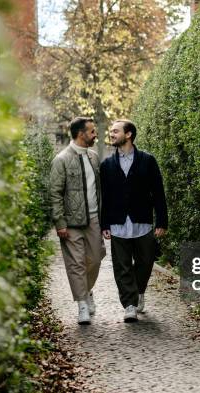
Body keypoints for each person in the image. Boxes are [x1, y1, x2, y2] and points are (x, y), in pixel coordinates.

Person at [100, 119, 168, 323]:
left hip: (143, 221)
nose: (111, 134)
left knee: (145, 262)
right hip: (118, 223)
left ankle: (139, 292)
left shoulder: (148, 160)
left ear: (128, 135)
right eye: (111, 131)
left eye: (115, 131)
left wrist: (162, 221)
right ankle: (129, 305)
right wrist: (105, 224)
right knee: (121, 266)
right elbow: (106, 196)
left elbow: (158, 192)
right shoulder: (107, 165)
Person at [49, 117, 105, 325]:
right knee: (76, 264)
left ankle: (87, 291)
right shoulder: (61, 160)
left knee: (96, 258)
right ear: (81, 134)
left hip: (93, 219)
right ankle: (82, 303)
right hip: (71, 223)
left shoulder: (93, 157)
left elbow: (99, 190)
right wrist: (60, 223)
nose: (94, 134)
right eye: (91, 131)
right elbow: (55, 193)